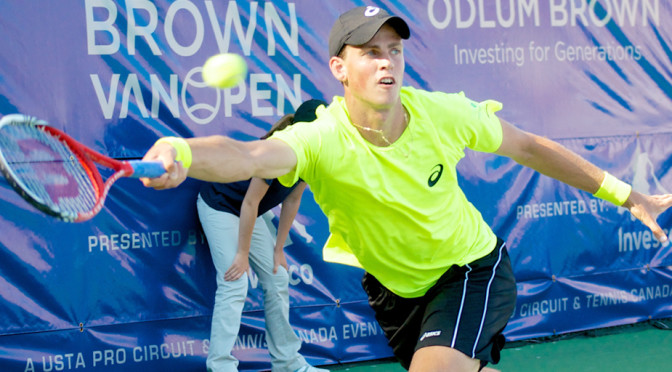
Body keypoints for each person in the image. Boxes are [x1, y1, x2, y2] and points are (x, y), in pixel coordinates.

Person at [141, 6, 672, 372]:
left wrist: (629, 195)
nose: (385, 61)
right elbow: (248, 156)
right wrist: (181, 152)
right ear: (339, 69)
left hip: (470, 270)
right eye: (369, 52)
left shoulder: (442, 113)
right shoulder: (320, 138)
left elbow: (529, 147)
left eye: (393, 50)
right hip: (393, 290)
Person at [196, 99, 329, 372]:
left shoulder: (312, 151)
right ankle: (221, 366)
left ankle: (287, 362)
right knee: (235, 281)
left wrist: (279, 249)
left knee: (277, 276)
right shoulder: (277, 151)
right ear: (301, 130)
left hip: (248, 212)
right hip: (221, 204)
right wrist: (242, 255)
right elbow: (249, 203)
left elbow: (291, 201)